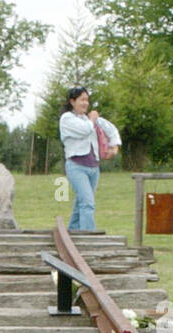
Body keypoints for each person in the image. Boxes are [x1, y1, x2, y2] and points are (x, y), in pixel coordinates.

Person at [59, 87, 121, 232]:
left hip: (94, 167)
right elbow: (85, 129)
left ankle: (73, 232)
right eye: (82, 100)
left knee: (81, 203)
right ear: (72, 101)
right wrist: (93, 119)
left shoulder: (89, 119)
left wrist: (114, 146)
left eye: (87, 100)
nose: (86, 103)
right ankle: (89, 237)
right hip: (76, 166)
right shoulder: (67, 119)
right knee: (88, 203)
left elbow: (111, 129)